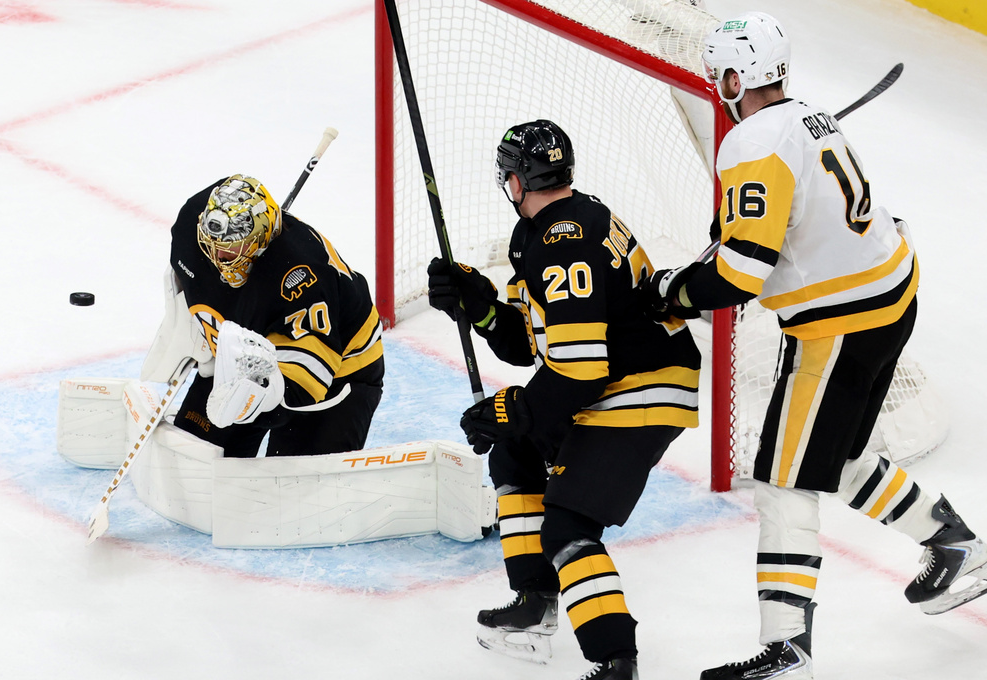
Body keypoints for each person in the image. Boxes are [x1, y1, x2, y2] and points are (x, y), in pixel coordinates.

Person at [643, 13, 987, 680]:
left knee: (782, 479)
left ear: (738, 76)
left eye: (721, 76)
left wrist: (674, 292)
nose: (718, 86)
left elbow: (741, 274)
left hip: (841, 323)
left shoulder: (752, 144)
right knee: (834, 452)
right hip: (892, 297)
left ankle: (788, 653)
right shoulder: (809, 117)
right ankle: (956, 546)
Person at [428, 120, 703, 680]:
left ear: (515, 179)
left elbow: (579, 368)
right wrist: (478, 305)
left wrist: (508, 410)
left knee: (570, 527)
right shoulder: (548, 228)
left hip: (640, 387)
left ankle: (613, 659)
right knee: (516, 456)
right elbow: (528, 343)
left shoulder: (562, 240)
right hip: (613, 382)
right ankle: (535, 603)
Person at [166, 174, 384, 458]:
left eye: (230, 249)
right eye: (212, 245)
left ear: (257, 241)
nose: (219, 257)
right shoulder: (191, 227)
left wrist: (258, 402)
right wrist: (199, 332)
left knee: (297, 489)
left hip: (339, 370)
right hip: (247, 350)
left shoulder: (302, 277)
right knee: (194, 459)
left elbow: (306, 378)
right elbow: (186, 279)